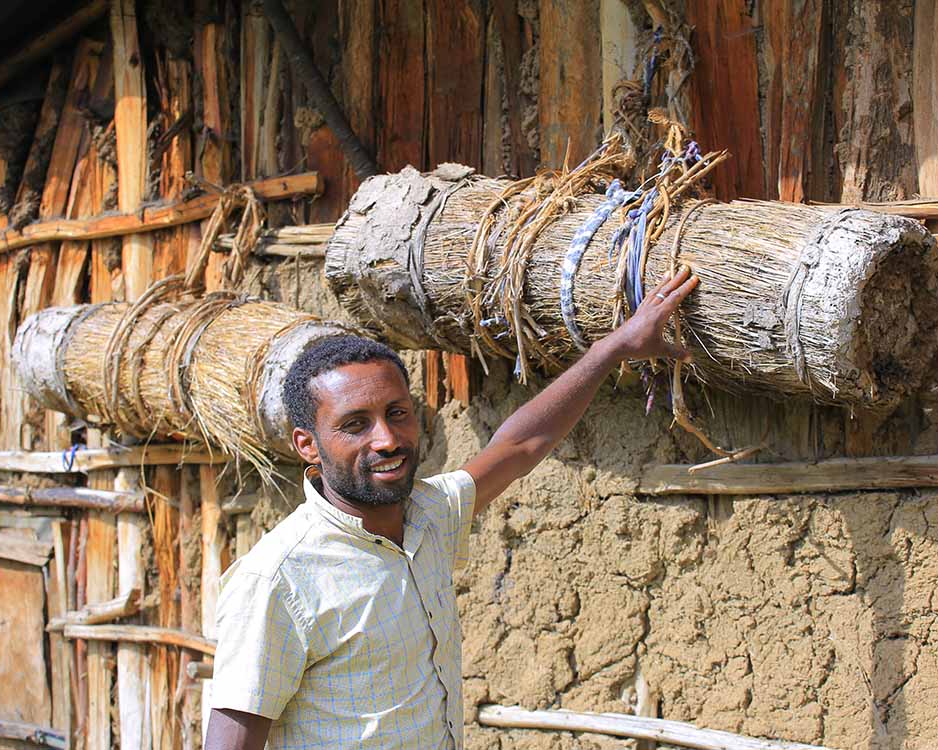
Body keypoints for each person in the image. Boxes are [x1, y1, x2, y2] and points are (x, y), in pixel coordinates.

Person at [204, 268, 699, 749]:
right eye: (355, 425)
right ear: (308, 445)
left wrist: (613, 348)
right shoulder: (277, 580)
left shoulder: (429, 514)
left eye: (397, 414)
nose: (386, 439)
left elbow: (522, 445)